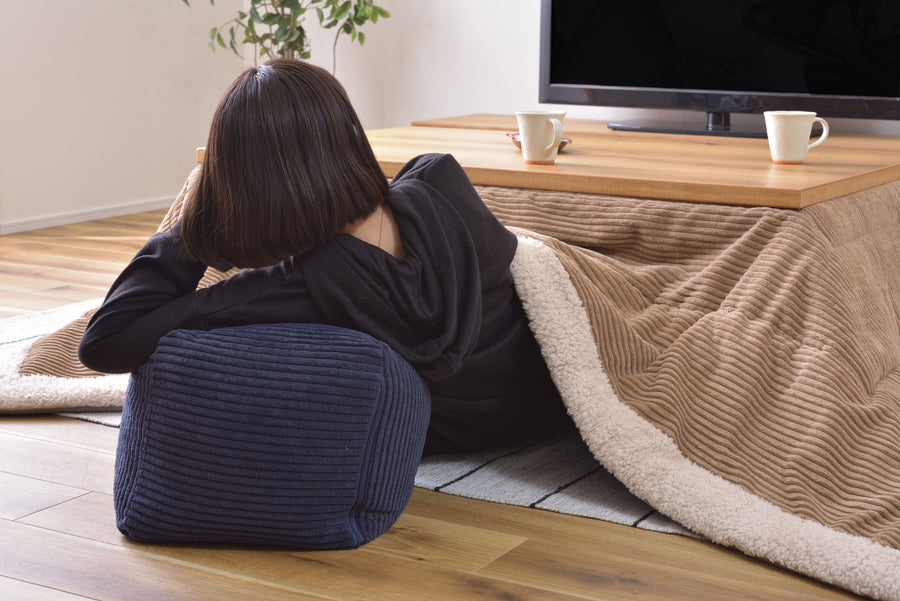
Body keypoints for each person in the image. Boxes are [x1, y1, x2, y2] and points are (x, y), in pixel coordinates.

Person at [78, 59, 570, 456]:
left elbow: (105, 341)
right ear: (347, 136)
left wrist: (198, 218)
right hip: (545, 405)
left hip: (458, 436)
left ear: (241, 182)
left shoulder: (298, 286)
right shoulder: (439, 182)